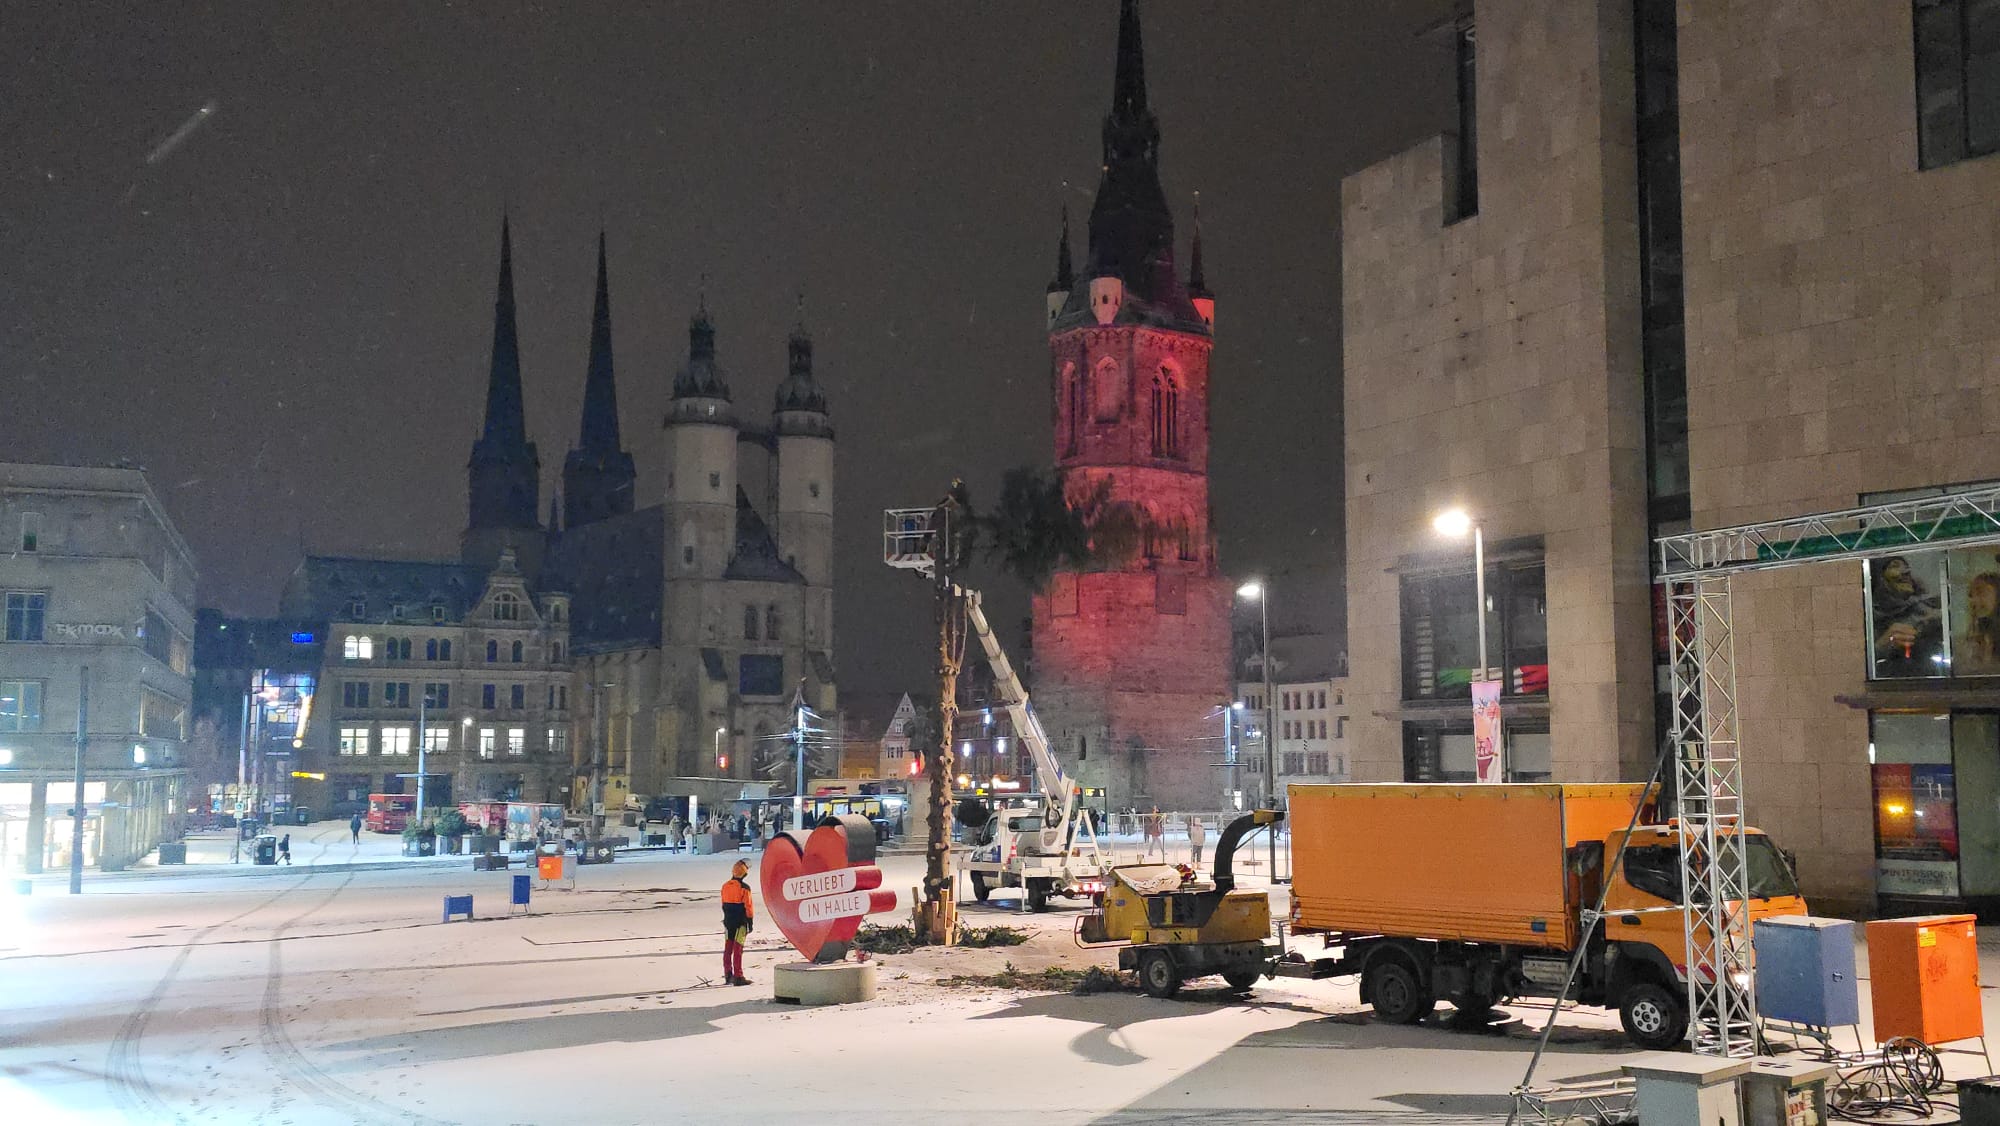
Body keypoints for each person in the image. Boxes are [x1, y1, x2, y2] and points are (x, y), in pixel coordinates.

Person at [1872, 555, 1944, 676]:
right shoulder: (1867, 621)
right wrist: (1880, 647)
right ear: (1880, 577)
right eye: (1895, 566)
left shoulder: (1928, 612)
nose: (1906, 572)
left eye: (1906, 567)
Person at [720, 859, 755, 986]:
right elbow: (748, 906)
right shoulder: (744, 888)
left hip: (728, 921)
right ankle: (738, 976)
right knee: (738, 948)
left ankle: (728, 974)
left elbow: (723, 904)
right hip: (740, 921)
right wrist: (750, 921)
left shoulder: (725, 886)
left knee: (728, 948)